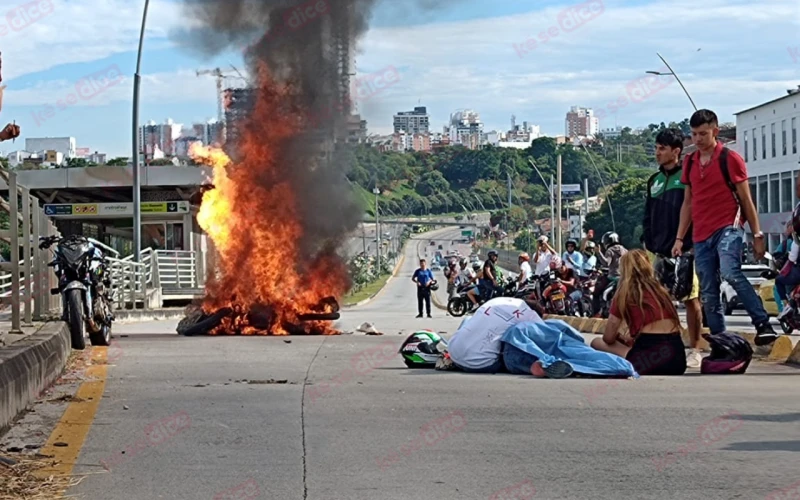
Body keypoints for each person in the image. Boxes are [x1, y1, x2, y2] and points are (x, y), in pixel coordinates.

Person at [672, 109, 777, 345]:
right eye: (694, 134)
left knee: (730, 272)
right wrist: (679, 238)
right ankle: (720, 341)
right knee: (708, 290)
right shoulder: (689, 162)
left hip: (728, 227)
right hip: (700, 234)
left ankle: (762, 324)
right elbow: (688, 203)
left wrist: (757, 234)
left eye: (703, 133)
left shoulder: (729, 159)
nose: (698, 139)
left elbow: (746, 199)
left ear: (715, 132)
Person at [643, 128, 704, 368]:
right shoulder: (654, 180)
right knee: (659, 300)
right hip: (658, 250)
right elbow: (648, 214)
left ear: (676, 152)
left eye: (662, 149)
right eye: (656, 148)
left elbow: (694, 210)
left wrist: (689, 243)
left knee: (691, 298)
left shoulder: (687, 177)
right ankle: (668, 343)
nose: (657, 153)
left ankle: (696, 347)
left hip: (686, 249)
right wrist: (648, 239)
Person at [591, 250, 687, 375]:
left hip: (647, 360)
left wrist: (619, 337)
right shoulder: (661, 291)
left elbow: (608, 338)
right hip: (677, 361)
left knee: (596, 342)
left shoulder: (624, 293)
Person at [592, 231, 627, 316]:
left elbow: (606, 263)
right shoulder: (625, 250)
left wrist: (598, 252)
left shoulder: (610, 250)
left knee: (596, 292)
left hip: (613, 277)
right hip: (625, 277)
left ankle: (597, 313)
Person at [777, 190, 800, 320]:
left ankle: (788, 305)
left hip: (797, 269)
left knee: (779, 280)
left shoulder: (795, 240)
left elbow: (792, 258)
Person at [774, 221, 795, 312]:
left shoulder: (791, 242)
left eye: (788, 227)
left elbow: (791, 257)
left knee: (778, 283)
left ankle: (785, 309)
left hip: (792, 274)